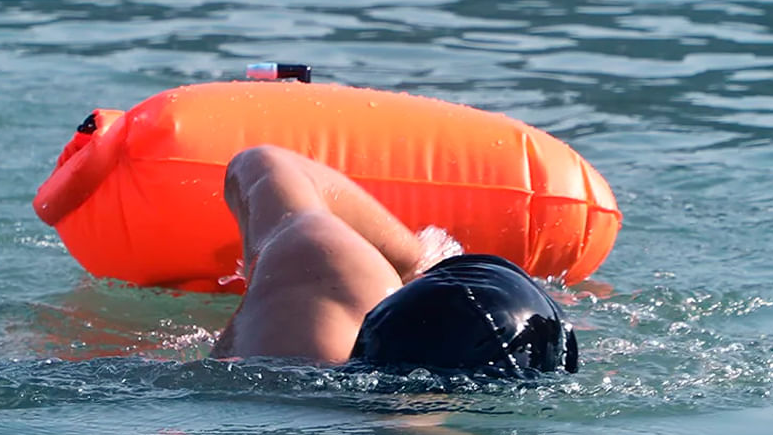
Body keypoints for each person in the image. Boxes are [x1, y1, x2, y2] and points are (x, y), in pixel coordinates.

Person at [210, 145, 577, 377]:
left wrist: (411, 262)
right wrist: (414, 259)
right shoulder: (327, 274)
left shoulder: (322, 279)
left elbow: (265, 163)